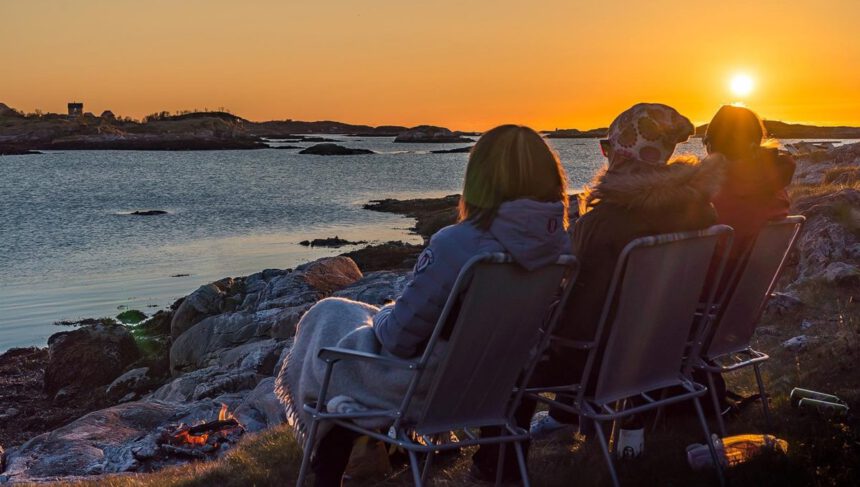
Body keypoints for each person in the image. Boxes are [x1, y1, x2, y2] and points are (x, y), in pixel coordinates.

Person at [276, 124, 572, 487]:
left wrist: (385, 312)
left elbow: (400, 339)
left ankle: (323, 473)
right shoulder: (562, 248)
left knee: (330, 326)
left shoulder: (456, 245)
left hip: (433, 387)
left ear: (481, 179)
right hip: (505, 377)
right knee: (345, 320)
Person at [487, 104, 725, 475]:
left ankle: (495, 467)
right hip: (664, 351)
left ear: (618, 152)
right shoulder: (701, 211)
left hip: (598, 362)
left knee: (512, 350)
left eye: (606, 147)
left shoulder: (603, 224)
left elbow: (576, 309)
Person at [705, 104, 796, 287]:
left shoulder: (713, 193)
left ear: (712, 146)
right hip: (749, 290)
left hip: (707, 290)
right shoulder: (775, 186)